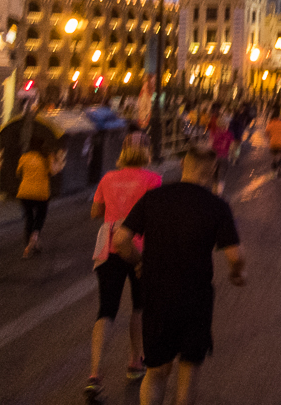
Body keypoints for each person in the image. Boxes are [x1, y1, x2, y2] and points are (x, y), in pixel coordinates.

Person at [113, 149, 245, 405]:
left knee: (156, 373)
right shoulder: (217, 205)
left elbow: (120, 240)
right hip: (195, 297)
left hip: (156, 293)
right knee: (188, 372)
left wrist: (139, 263)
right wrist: (238, 273)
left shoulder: (154, 198)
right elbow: (235, 256)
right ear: (214, 169)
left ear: (184, 164)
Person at [85, 138, 162, 403]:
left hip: (109, 248)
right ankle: (134, 361)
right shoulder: (153, 179)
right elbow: (155, 216)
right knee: (139, 308)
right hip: (140, 248)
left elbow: (96, 212)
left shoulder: (107, 178)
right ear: (146, 153)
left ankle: (94, 375)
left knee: (106, 310)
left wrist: (114, 212)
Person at [16, 136, 64, 258]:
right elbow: (54, 172)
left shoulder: (24, 157)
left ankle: (30, 246)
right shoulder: (47, 158)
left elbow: (18, 173)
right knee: (40, 217)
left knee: (29, 218)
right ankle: (35, 236)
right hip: (41, 194)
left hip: (24, 193)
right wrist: (56, 159)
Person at [265, 107, 281, 177]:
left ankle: (274, 169)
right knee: (280, 156)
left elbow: (267, 133)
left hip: (273, 143)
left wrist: (269, 138)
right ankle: (279, 169)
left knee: (274, 157)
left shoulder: (270, 123)